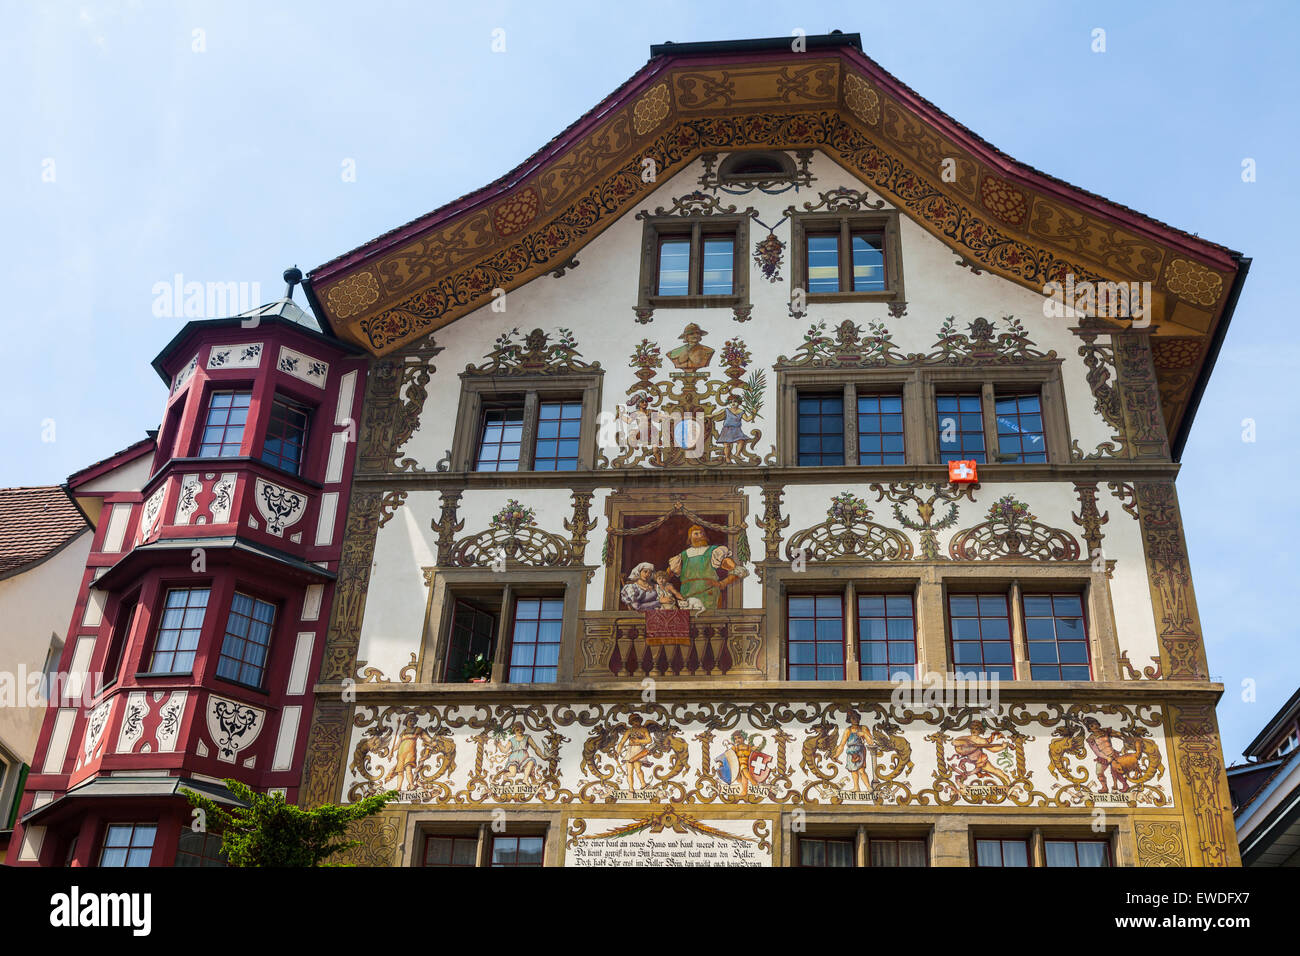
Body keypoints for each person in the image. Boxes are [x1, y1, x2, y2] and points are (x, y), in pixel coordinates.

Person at [667, 524, 747, 610]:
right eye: (696, 534)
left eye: (701, 533)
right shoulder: (682, 556)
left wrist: (722, 583)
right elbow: (666, 576)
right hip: (687, 597)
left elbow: (738, 570)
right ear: (690, 537)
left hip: (710, 596)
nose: (700, 536)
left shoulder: (713, 552)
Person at [834, 710, 871, 793]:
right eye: (853, 718)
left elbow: (871, 742)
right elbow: (842, 744)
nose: (855, 720)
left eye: (857, 718)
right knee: (853, 771)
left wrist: (864, 734)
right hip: (850, 753)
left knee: (861, 770)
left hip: (860, 751)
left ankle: (869, 787)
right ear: (849, 719)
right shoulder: (848, 730)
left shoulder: (863, 728)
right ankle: (856, 787)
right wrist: (836, 755)